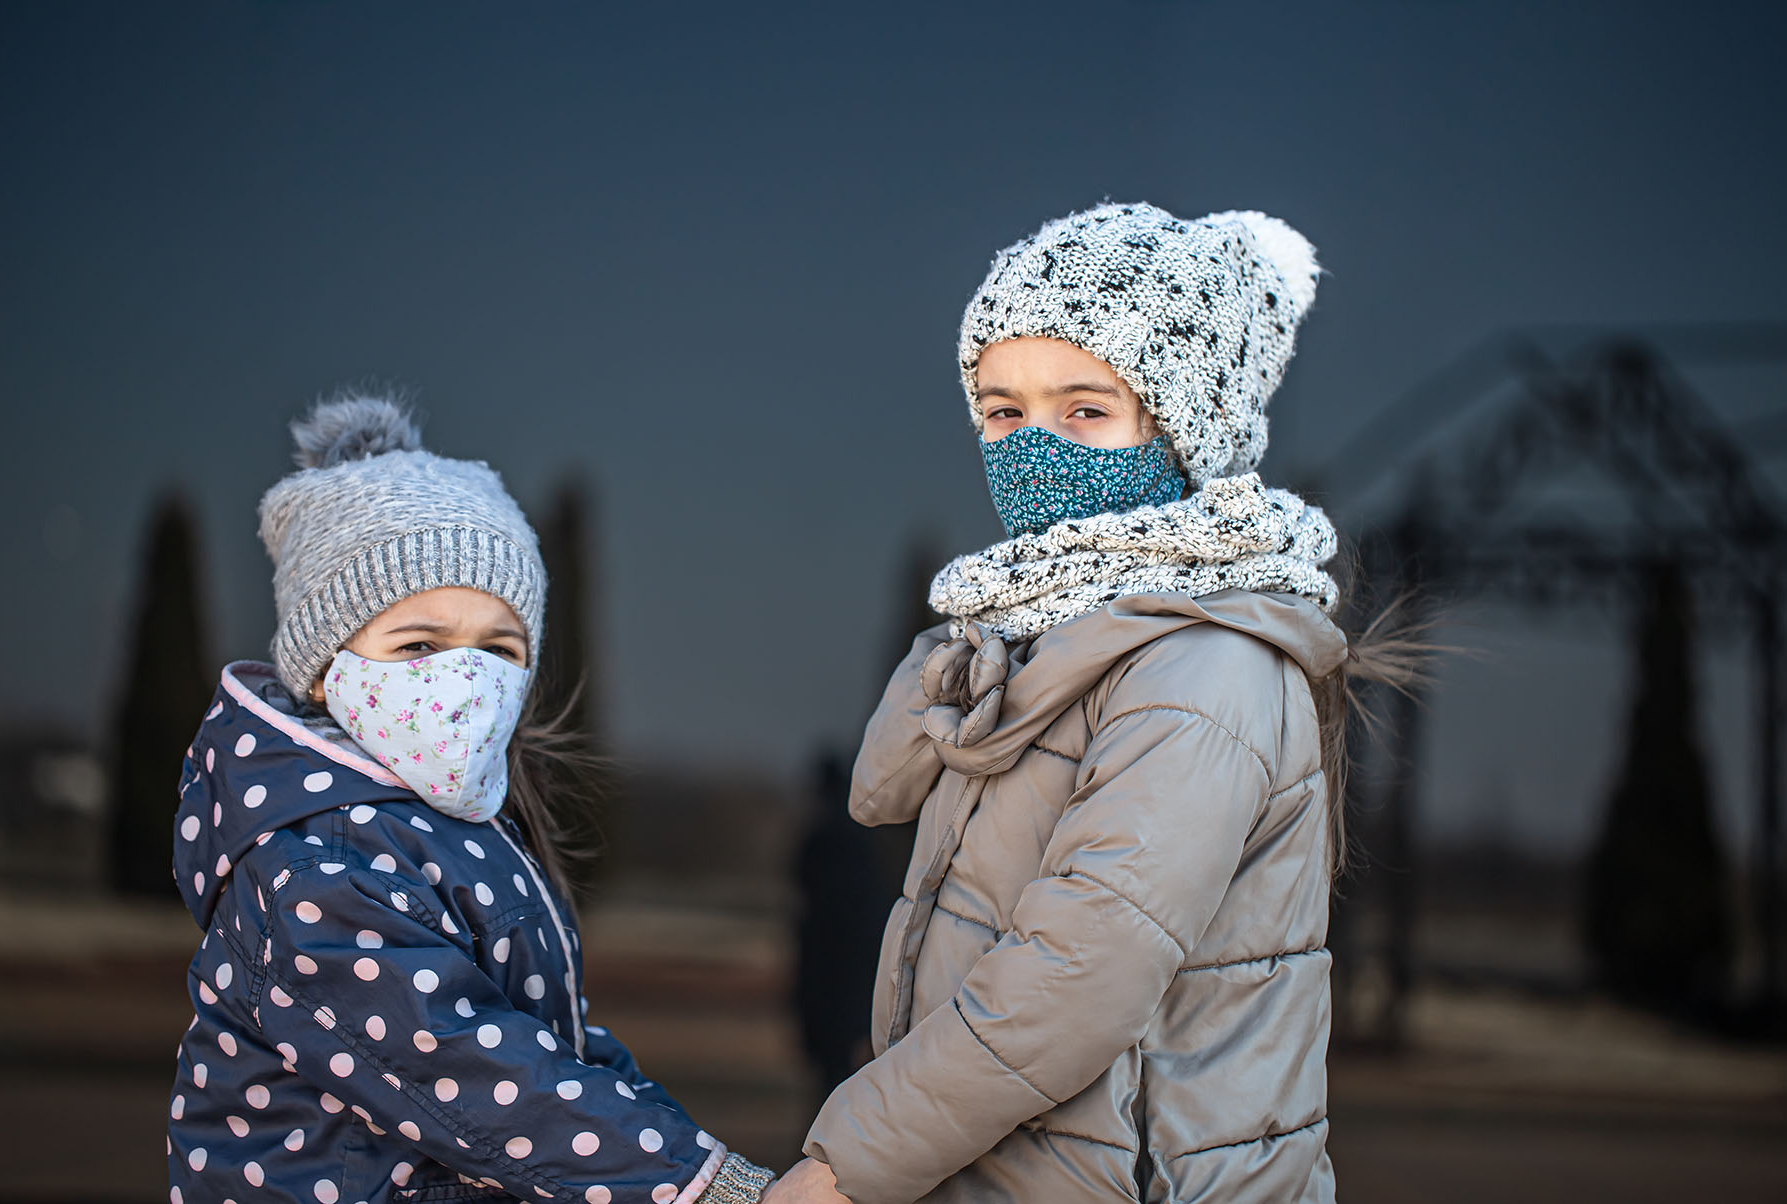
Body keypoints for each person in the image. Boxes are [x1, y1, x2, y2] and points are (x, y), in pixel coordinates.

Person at [785, 202, 1417, 1202]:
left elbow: (1070, 982)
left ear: (1180, 430)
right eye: (1002, 410)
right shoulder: (1036, 636)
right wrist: (971, 644)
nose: (1035, 447)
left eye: (1084, 410)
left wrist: (844, 1170)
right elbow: (881, 787)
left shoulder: (1205, 672)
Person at [167, 396, 775, 1203]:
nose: (468, 677)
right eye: (418, 644)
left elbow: (549, 1044)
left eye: (500, 647)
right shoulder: (311, 858)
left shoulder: (464, 826)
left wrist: (702, 1160)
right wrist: (704, 1187)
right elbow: (464, 1069)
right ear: (322, 668)